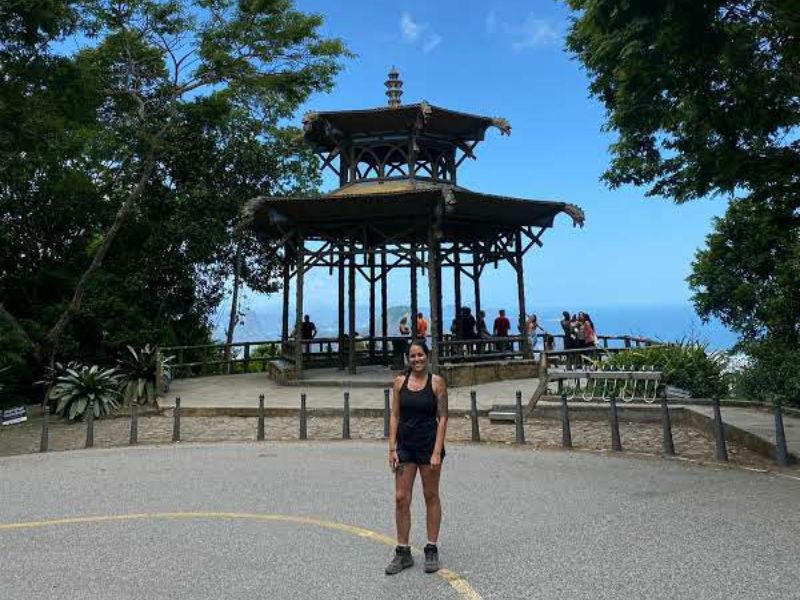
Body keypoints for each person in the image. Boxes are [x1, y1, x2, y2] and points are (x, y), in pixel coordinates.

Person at [386, 340, 448, 576]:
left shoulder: (436, 383)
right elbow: (394, 415)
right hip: (405, 447)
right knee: (401, 498)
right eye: (412, 356)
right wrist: (392, 448)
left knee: (430, 495)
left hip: (428, 446)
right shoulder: (399, 383)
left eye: (420, 355)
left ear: (427, 356)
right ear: (407, 359)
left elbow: (443, 417)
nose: (417, 360)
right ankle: (403, 551)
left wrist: (436, 452)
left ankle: (431, 546)